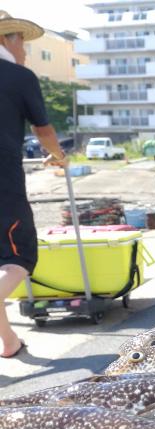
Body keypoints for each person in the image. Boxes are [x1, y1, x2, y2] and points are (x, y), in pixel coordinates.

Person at [0, 11, 67, 358]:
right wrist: (58, 156)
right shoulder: (18, 76)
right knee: (18, 256)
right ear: (7, 39)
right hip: (3, 180)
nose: (25, 50)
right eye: (22, 42)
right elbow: (44, 130)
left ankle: (9, 341)